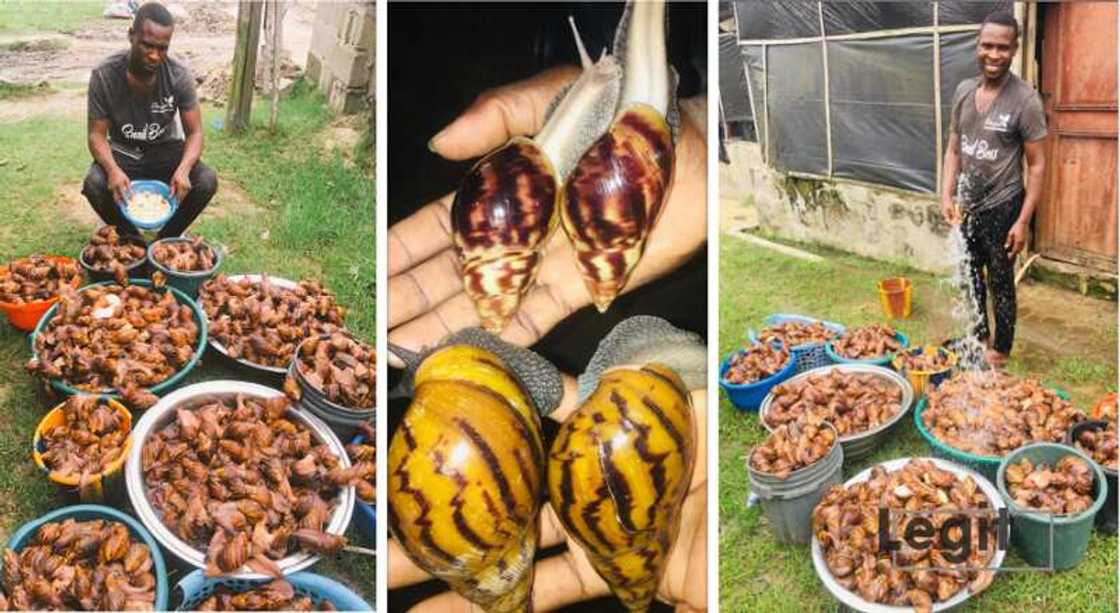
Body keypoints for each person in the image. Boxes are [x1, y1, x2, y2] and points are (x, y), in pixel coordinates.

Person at [940, 11, 1047, 369]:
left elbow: (1037, 164)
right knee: (969, 275)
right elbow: (954, 149)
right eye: (988, 45)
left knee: (1001, 282)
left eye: (1003, 47)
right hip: (968, 206)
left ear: (1015, 49)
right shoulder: (963, 92)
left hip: (1005, 205)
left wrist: (1023, 221)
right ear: (978, 45)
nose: (994, 54)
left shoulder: (1025, 100)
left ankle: (999, 352)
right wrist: (946, 195)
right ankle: (978, 335)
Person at [82, 1, 217, 240]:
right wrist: (113, 170)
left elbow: (195, 133)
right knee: (94, 183)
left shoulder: (178, 76)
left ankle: (165, 239)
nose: (154, 56)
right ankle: (131, 239)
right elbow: (96, 135)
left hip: (166, 151)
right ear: (131, 35)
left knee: (206, 181)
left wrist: (184, 169)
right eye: (147, 45)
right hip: (124, 153)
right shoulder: (104, 75)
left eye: (162, 48)